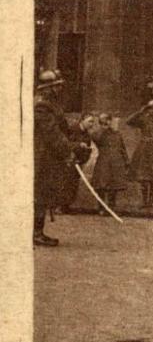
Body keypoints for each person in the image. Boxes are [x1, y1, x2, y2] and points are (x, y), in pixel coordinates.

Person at [33, 70, 90, 246]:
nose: (59, 89)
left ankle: (37, 231)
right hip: (42, 157)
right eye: (56, 86)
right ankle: (36, 233)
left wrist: (80, 126)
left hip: (48, 156)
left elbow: (62, 126)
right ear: (47, 88)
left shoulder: (51, 104)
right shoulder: (42, 105)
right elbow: (53, 135)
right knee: (40, 194)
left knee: (43, 193)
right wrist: (69, 151)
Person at [82, 112, 130, 212]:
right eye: (102, 122)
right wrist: (102, 129)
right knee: (101, 185)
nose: (106, 124)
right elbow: (97, 139)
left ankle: (111, 206)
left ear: (110, 121)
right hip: (104, 161)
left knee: (114, 185)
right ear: (100, 123)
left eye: (107, 121)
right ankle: (101, 206)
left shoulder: (117, 134)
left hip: (116, 161)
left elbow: (122, 148)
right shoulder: (97, 133)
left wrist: (126, 161)